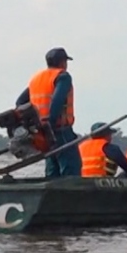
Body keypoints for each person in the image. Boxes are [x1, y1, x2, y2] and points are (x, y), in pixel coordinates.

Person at [16, 47, 80, 177]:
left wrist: (33, 124)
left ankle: (53, 195)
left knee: (52, 167)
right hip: (59, 129)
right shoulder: (63, 76)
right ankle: (71, 196)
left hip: (42, 131)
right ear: (62, 62)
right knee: (70, 166)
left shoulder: (36, 79)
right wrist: (50, 121)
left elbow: (19, 102)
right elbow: (57, 100)